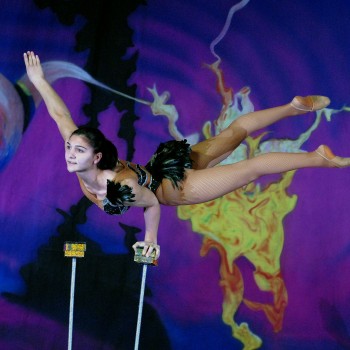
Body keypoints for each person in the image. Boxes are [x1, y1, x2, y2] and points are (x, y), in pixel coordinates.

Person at [23, 51, 350, 260]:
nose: (69, 153)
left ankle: (318, 158)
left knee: (250, 169)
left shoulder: (113, 183)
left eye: (77, 150)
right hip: (166, 165)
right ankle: (292, 108)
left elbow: (150, 202)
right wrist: (38, 80)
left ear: (96, 158)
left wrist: (150, 239)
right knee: (233, 134)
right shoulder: (86, 154)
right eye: (70, 147)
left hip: (176, 187)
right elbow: (61, 116)